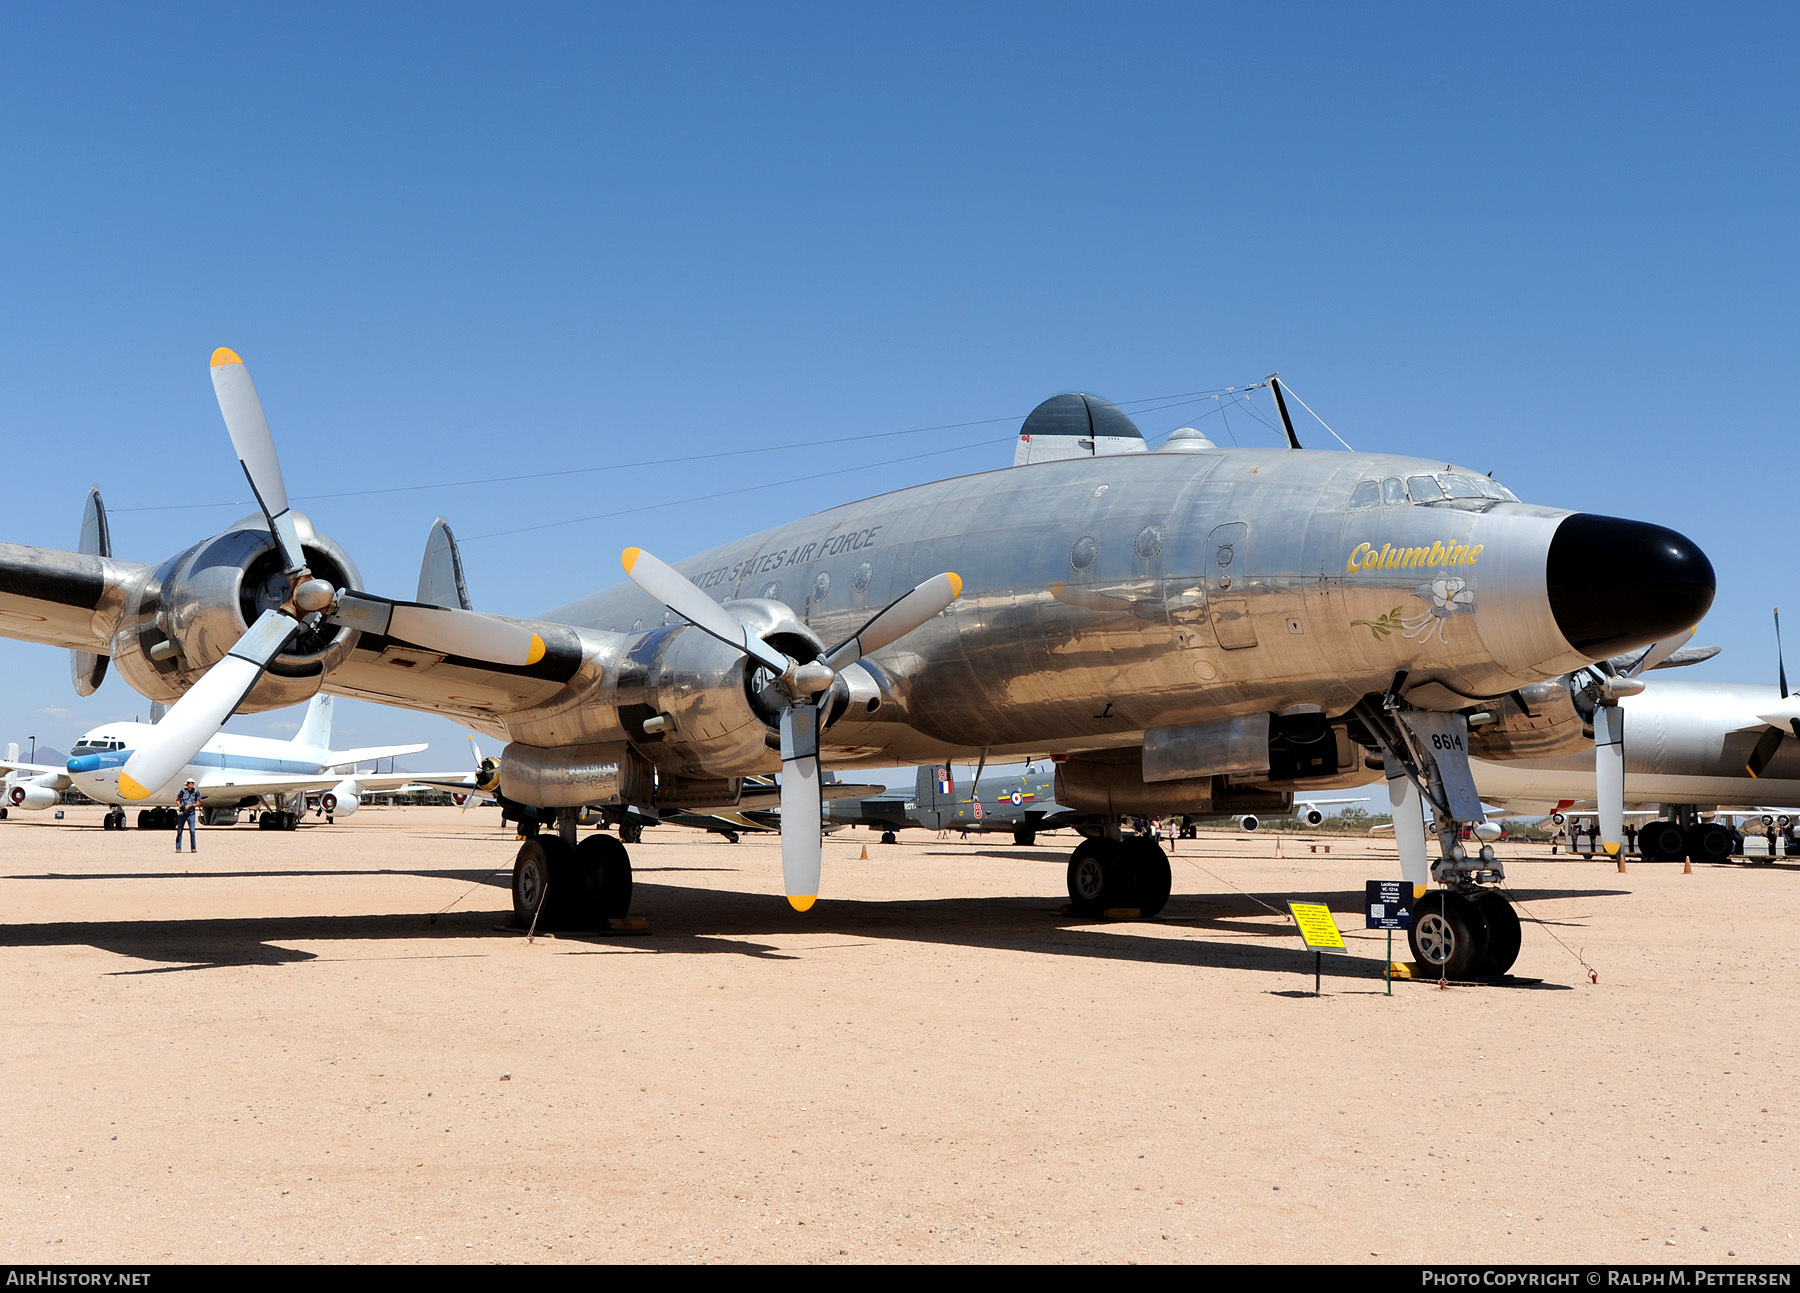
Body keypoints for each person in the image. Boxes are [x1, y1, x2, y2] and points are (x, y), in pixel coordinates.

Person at [175, 778, 200, 853]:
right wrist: (179, 806)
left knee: (192, 831)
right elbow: (177, 799)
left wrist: (191, 805)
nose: (191, 784)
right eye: (190, 783)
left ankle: (193, 848)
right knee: (179, 830)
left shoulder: (196, 792)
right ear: (187, 784)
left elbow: (199, 803)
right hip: (182, 813)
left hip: (191, 814)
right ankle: (178, 848)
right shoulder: (183, 791)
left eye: (192, 783)